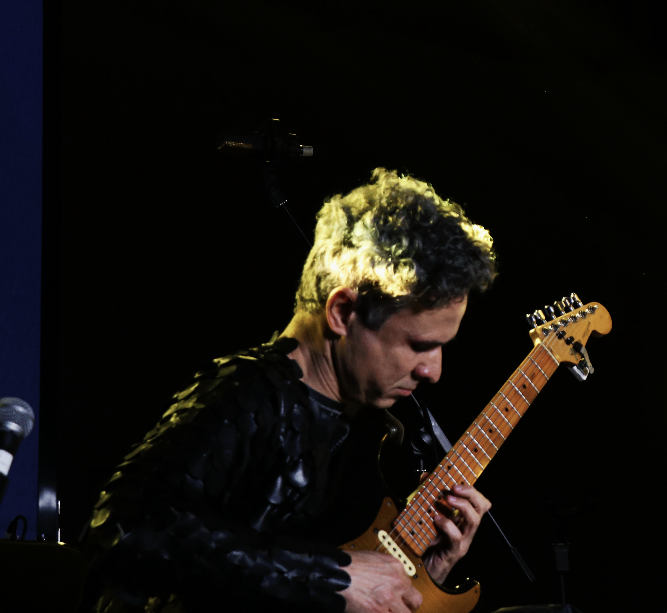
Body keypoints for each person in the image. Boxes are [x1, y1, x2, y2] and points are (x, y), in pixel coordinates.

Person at [81, 169, 497, 613]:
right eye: (418, 344)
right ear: (342, 312)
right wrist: (329, 575)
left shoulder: (366, 423)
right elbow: (122, 529)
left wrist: (422, 574)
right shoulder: (246, 395)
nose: (433, 371)